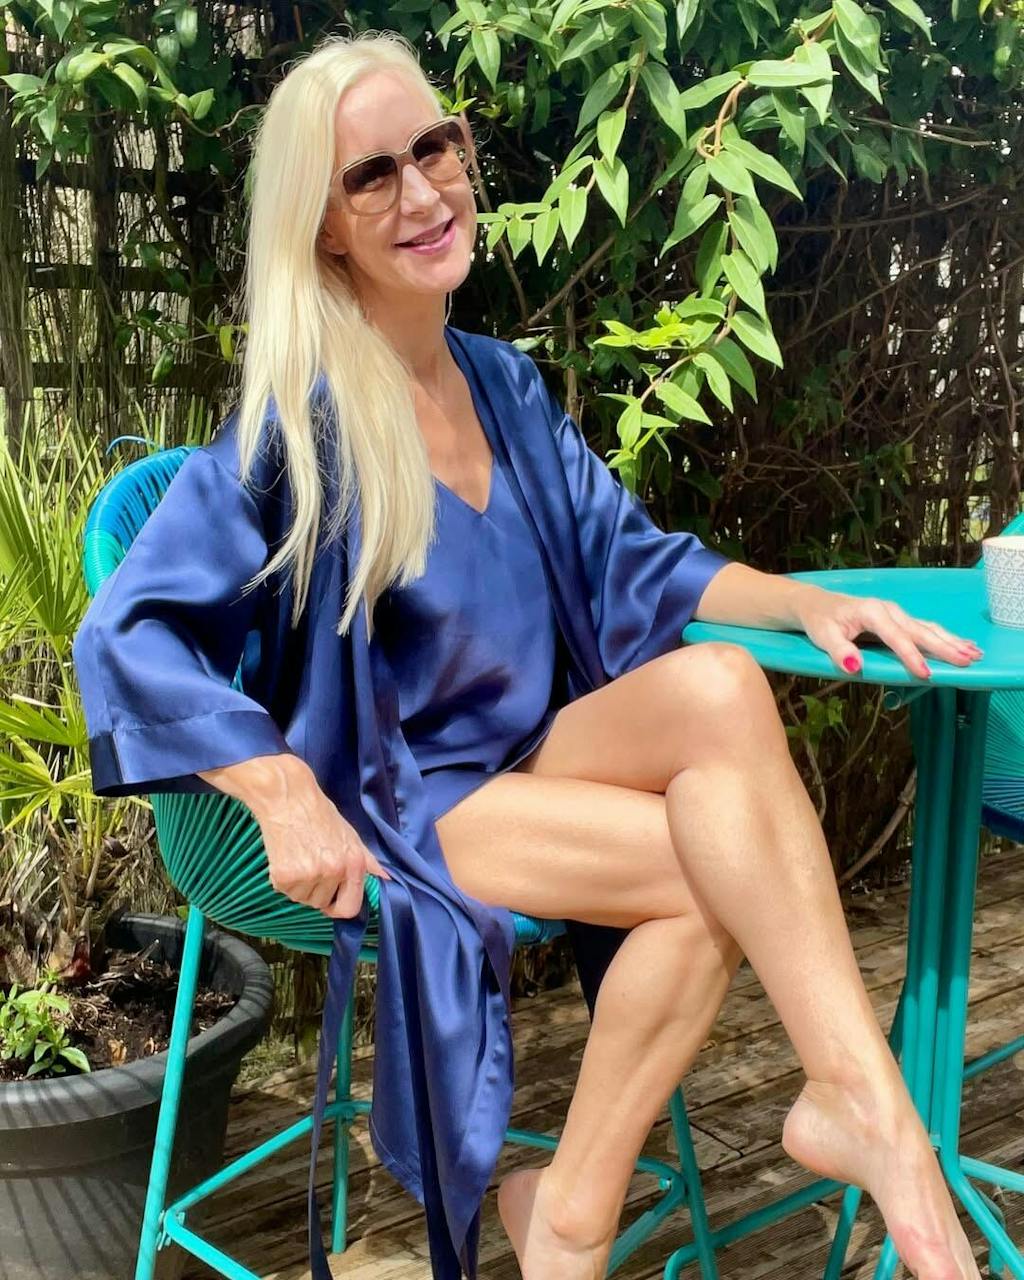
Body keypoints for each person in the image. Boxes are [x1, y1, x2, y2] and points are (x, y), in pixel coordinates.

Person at [71, 28, 986, 1280]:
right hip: (396, 798)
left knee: (722, 683)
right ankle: (643, 1193)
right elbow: (125, 631)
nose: (422, 192)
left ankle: (782, 1127)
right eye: (371, 174)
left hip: (529, 757)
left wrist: (807, 602)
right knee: (717, 866)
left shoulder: (500, 383)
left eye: (433, 148)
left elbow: (632, 561)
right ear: (323, 227)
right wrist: (277, 786)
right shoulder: (298, 425)